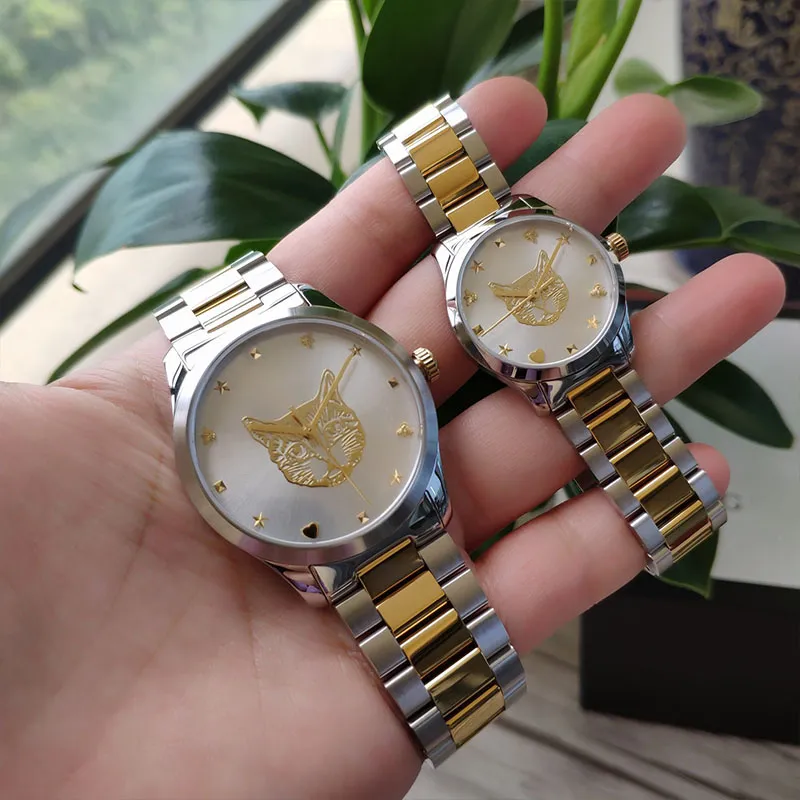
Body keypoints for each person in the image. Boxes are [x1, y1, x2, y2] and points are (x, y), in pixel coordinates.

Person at [0, 77, 785, 799]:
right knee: (456, 674)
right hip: (323, 531)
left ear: (413, 367)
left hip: (367, 496)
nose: (312, 437)